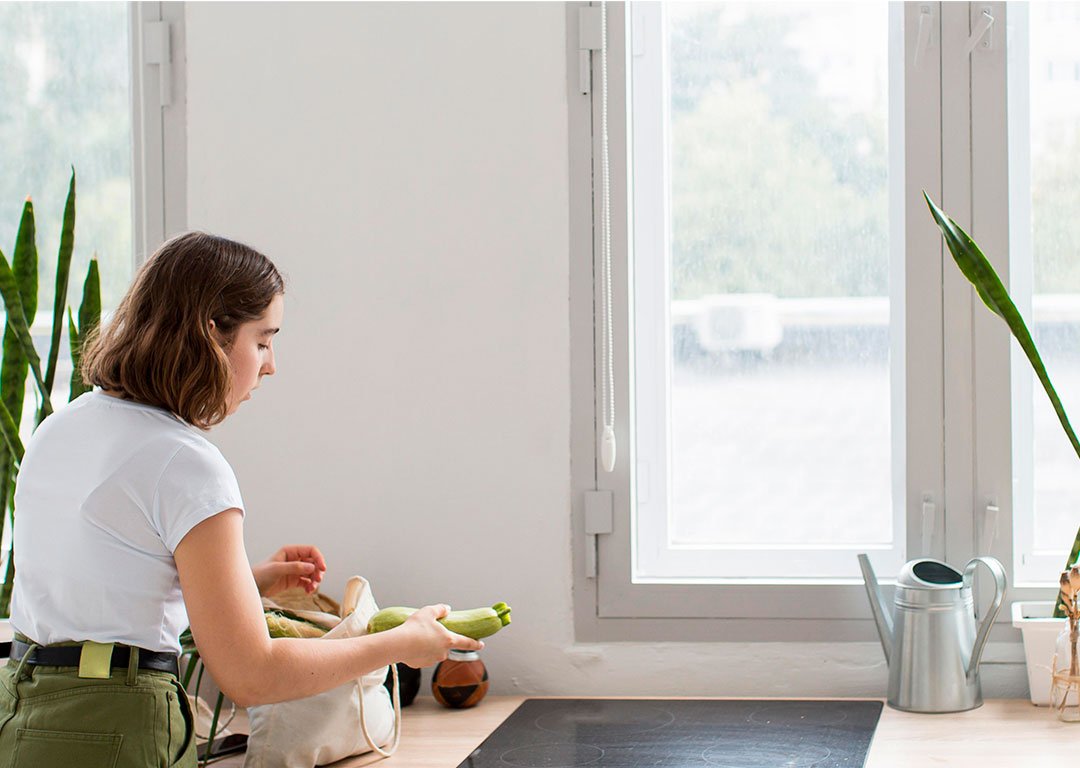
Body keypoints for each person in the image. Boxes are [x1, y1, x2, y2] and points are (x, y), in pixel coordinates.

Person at [0, 232, 481, 767]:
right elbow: (251, 674)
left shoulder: (59, 428)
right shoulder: (185, 462)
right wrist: (400, 645)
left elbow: (102, 599)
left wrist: (247, 581)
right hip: (116, 726)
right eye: (263, 340)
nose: (271, 365)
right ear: (211, 334)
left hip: (20, 716)